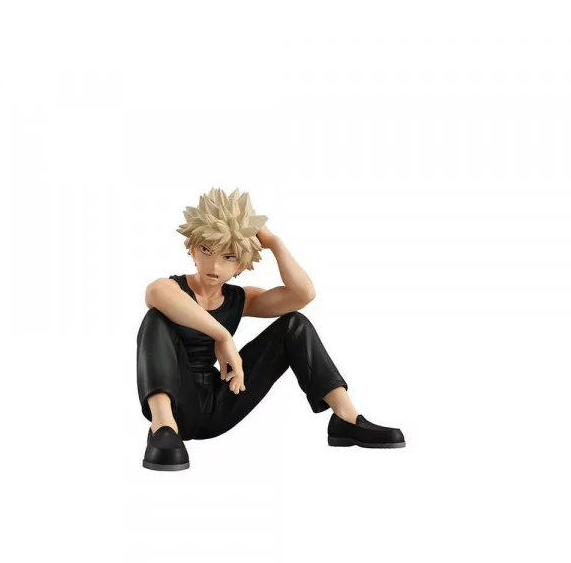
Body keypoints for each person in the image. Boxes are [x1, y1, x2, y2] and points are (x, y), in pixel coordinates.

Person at [137, 187, 405, 471]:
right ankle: (162, 428)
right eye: (206, 250)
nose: (214, 265)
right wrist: (222, 335)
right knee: (155, 318)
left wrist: (274, 242)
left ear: (241, 265)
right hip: (177, 405)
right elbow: (155, 293)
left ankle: (346, 418)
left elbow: (302, 294)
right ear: (192, 249)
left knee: (294, 323)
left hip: (222, 401)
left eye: (229, 257)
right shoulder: (171, 288)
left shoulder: (240, 299)